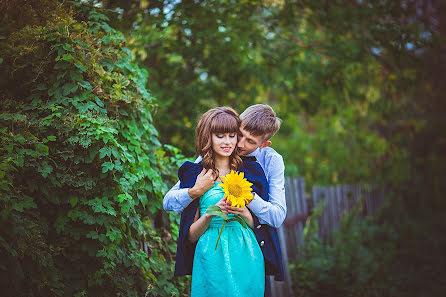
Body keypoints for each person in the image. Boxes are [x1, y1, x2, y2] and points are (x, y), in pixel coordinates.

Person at [174, 107, 267, 296]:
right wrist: (210, 213)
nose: (227, 142)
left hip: (245, 250)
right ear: (208, 137)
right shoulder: (195, 175)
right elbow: (190, 236)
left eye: (232, 135)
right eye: (220, 136)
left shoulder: (251, 171)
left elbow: (255, 225)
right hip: (211, 254)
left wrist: (244, 213)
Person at [164, 104, 286, 229]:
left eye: (250, 141)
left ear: (264, 144)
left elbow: (277, 217)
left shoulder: (271, 160)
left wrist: (247, 196)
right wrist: (195, 191)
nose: (239, 143)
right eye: (238, 134)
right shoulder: (216, 154)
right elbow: (168, 201)